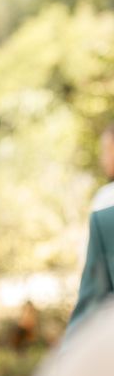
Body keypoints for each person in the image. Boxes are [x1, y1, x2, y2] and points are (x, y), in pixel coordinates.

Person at [65, 124, 114, 336]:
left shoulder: (105, 199)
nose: (103, 158)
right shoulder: (105, 220)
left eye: (106, 150)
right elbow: (90, 309)